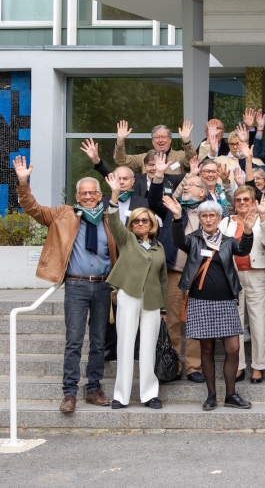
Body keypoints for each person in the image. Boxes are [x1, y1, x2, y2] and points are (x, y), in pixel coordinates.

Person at [15, 156, 117, 413]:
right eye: (83, 193)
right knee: (73, 340)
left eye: (92, 193)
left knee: (98, 340)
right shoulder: (63, 214)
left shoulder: (109, 218)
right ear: (77, 195)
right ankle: (69, 393)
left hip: (104, 286)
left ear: (100, 194)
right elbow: (33, 208)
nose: (88, 197)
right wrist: (23, 182)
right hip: (76, 286)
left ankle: (93, 388)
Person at [166, 197, 254, 411]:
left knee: (233, 348)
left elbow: (243, 250)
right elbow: (178, 241)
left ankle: (231, 394)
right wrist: (177, 218)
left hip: (225, 301)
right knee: (206, 349)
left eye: (212, 215)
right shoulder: (192, 239)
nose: (207, 219)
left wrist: (249, 231)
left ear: (219, 218)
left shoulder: (227, 241)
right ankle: (211, 395)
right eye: (204, 215)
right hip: (200, 300)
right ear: (199, 218)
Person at [103, 173, 167, 410]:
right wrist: (114, 195)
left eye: (145, 221)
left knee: (148, 348)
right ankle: (121, 395)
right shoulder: (127, 240)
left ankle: (149, 394)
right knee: (125, 345)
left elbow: (163, 280)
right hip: (128, 295)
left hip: (151, 301)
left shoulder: (159, 248)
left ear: (152, 225)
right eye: (137, 221)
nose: (141, 224)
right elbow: (113, 222)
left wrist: (164, 309)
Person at [147, 154, 206, 383]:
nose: (187, 188)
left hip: (199, 274)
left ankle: (193, 367)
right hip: (174, 272)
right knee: (171, 319)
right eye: (186, 185)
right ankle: (172, 364)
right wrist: (159, 174)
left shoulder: (210, 212)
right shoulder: (172, 208)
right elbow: (153, 202)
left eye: (192, 185)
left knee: (195, 320)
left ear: (202, 192)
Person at [219, 186, 265, 384]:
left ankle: (258, 367)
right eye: (238, 200)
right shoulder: (226, 222)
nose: (242, 203)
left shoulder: (261, 220)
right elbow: (220, 247)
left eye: (246, 199)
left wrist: (263, 217)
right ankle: (239, 365)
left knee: (259, 321)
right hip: (232, 276)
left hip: (257, 274)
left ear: (253, 201)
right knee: (236, 324)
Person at [114, 120, 196, 174]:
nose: (160, 140)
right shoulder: (144, 157)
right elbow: (121, 160)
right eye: (157, 137)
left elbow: (191, 161)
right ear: (153, 141)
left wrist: (186, 141)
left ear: (170, 140)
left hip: (173, 198)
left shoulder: (180, 156)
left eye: (164, 137)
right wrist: (120, 141)